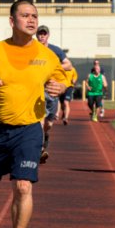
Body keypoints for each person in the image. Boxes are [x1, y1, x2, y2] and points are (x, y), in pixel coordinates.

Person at [0, 0, 67, 228]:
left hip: (28, 130)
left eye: (34, 16)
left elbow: (65, 76)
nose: (32, 20)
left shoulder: (47, 56)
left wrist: (61, 86)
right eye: (25, 15)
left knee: (24, 186)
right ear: (12, 21)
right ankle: (1, 169)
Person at [36, 25, 72, 163]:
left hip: (52, 91)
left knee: (49, 124)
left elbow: (68, 65)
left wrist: (52, 68)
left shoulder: (55, 50)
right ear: (36, 35)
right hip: (38, 90)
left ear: (48, 36)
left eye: (44, 34)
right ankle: (39, 149)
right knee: (39, 120)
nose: (42, 36)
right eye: (40, 34)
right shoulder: (32, 49)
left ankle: (45, 137)